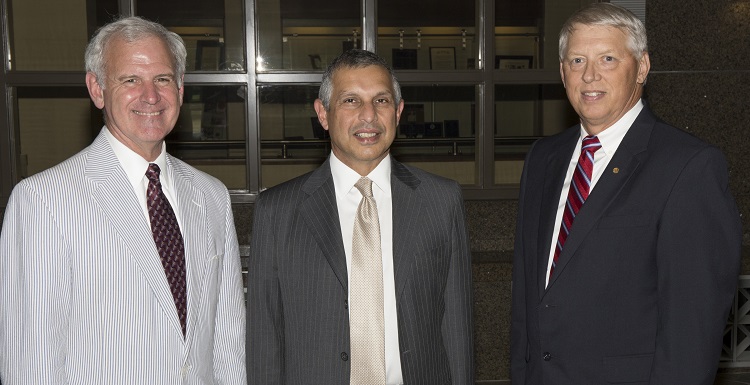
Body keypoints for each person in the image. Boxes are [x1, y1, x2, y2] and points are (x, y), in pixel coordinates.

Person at [0, 17, 246, 384]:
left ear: (180, 89)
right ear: (96, 89)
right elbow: (31, 363)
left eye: (162, 79)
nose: (150, 95)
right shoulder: (42, 201)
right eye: (130, 80)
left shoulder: (211, 195)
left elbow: (227, 342)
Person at [510, 3, 742, 384]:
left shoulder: (688, 167)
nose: (589, 75)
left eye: (608, 59)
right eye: (577, 60)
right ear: (562, 71)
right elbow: (526, 299)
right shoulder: (542, 158)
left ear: (643, 67)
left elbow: (691, 329)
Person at [247, 49, 474, 385]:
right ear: (323, 114)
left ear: (398, 112)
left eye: (381, 101)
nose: (369, 116)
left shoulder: (441, 201)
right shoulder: (277, 212)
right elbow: (264, 338)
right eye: (351, 101)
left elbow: (457, 327)